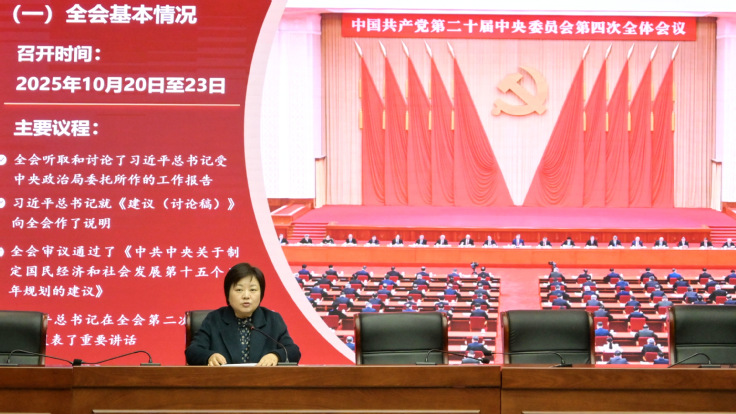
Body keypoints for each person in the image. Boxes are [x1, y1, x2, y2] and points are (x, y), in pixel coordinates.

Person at [185, 263, 301, 366]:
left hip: (263, 382)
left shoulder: (273, 319)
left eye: (253, 290)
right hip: (224, 382)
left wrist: (276, 356)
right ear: (228, 293)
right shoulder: (214, 319)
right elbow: (192, 351)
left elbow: (293, 351)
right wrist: (210, 356)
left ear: (261, 293)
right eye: (239, 290)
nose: (246, 296)